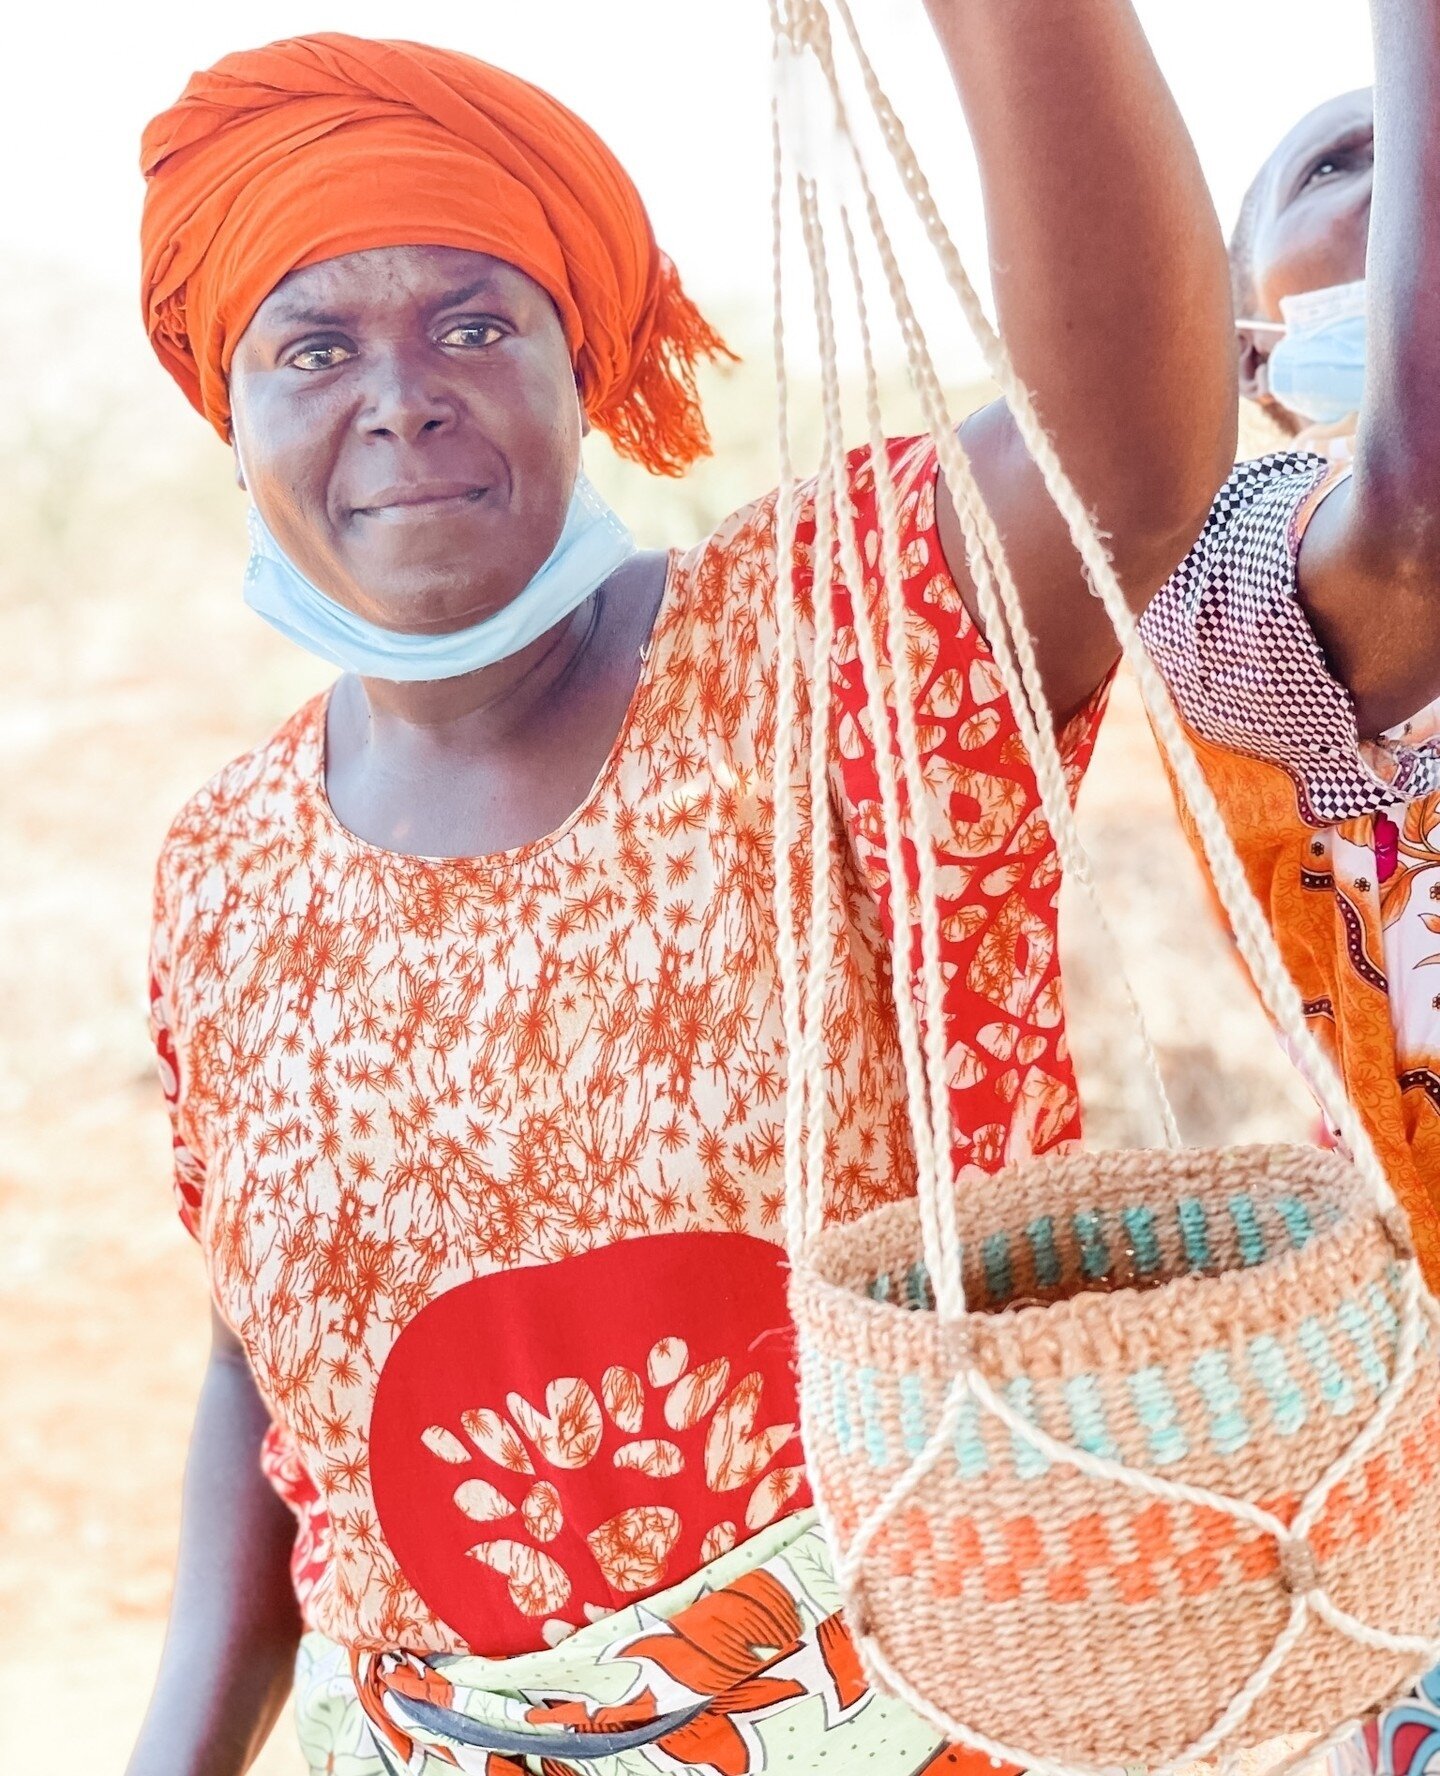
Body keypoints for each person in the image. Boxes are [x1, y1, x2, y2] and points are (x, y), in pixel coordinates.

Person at [128, 14, 1234, 1775]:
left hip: (920, 1720)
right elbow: (262, 1378)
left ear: (588, 364)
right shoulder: (224, 866)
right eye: (311, 345)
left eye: (476, 324)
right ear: (228, 408)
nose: (399, 393)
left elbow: (1129, 450)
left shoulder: (818, 638)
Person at [1139, 3, 1440, 1769]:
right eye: (1344, 166)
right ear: (1250, 344)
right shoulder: (1232, 573)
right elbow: (1421, 499)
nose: (1403, 172)